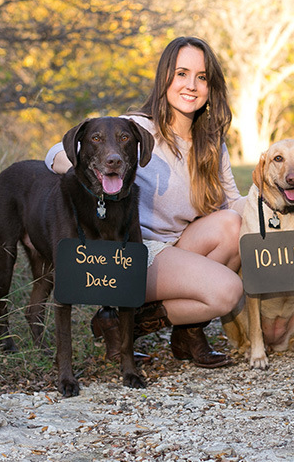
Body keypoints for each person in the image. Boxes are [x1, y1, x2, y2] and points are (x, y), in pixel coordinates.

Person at [46, 36, 244, 368]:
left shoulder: (210, 142)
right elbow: (55, 154)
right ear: (165, 77)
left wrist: (280, 200)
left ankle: (168, 329)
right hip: (134, 249)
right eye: (182, 73)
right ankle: (126, 319)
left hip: (176, 247)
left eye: (202, 77)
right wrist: (98, 174)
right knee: (226, 292)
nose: (191, 85)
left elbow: (233, 204)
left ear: (211, 86)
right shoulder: (134, 129)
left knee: (233, 225)